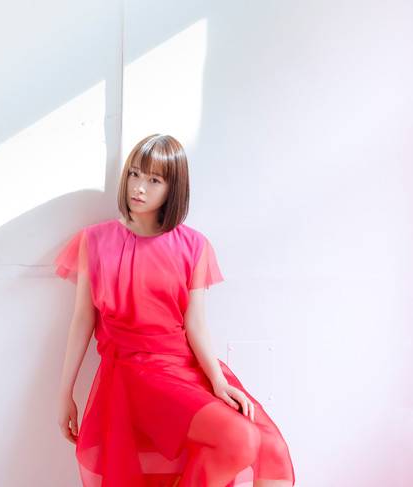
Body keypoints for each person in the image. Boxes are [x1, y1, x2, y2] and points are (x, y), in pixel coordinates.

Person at [53, 134, 296, 487]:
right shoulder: (95, 241)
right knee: (239, 438)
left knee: (268, 446)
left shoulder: (194, 245)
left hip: (184, 366)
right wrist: (65, 393)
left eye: (154, 180)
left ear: (173, 188)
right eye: (135, 174)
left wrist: (217, 379)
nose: (139, 187)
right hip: (134, 372)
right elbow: (82, 320)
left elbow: (195, 324)